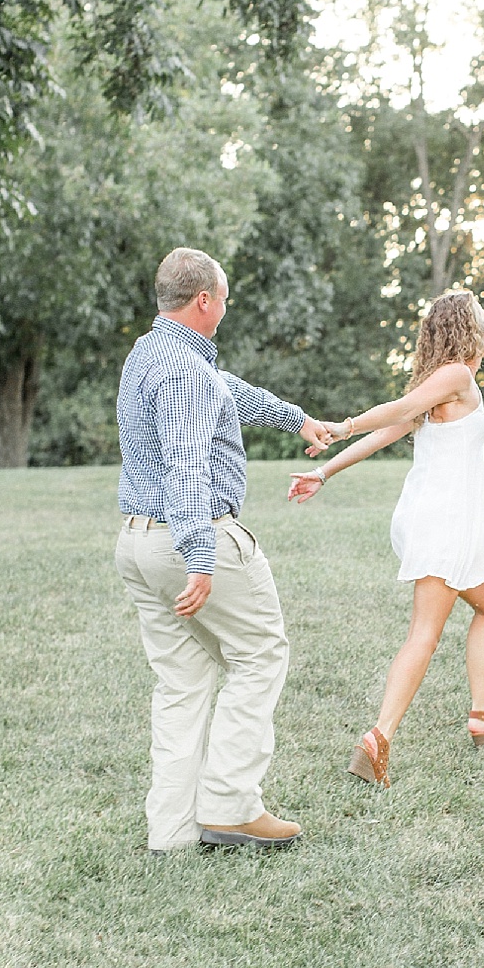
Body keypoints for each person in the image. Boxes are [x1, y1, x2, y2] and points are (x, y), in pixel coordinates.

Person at [114, 247, 335, 852]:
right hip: (191, 535)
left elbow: (227, 390)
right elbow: (186, 468)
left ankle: (171, 831)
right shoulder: (184, 370)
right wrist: (202, 557)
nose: (227, 308)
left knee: (181, 683)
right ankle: (231, 808)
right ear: (205, 300)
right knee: (260, 654)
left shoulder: (151, 354)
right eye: (225, 298)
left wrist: (296, 419)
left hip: (137, 542)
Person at [286, 289, 484, 788]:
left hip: (449, 520)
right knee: (424, 634)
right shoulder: (454, 376)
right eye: (483, 317)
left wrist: (324, 473)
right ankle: (378, 738)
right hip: (445, 523)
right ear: (467, 328)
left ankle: (482, 714)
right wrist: (341, 428)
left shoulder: (448, 382)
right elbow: (396, 413)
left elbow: (389, 431)